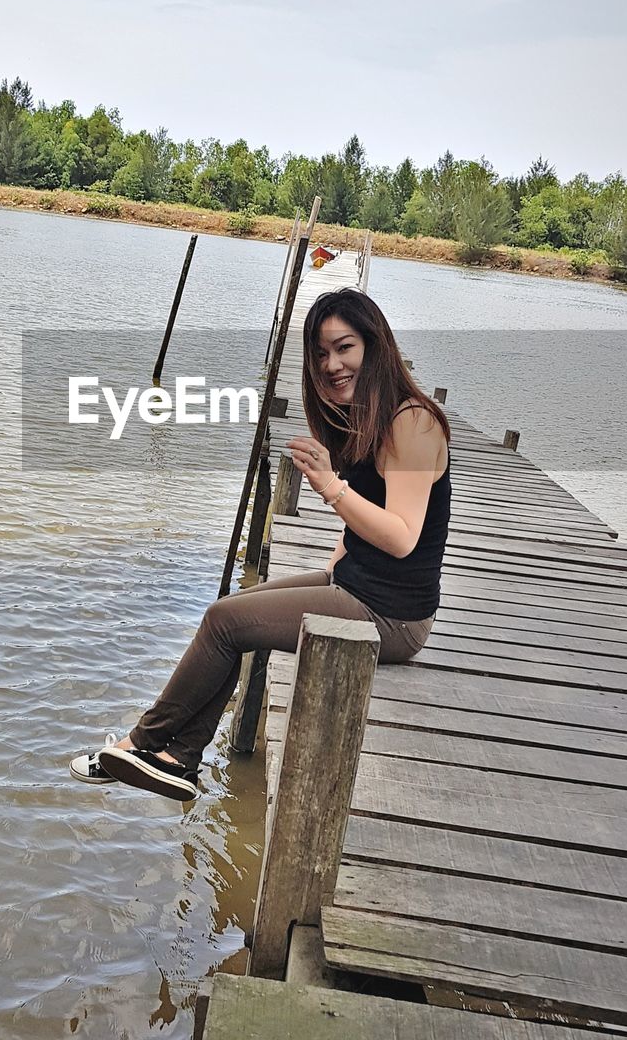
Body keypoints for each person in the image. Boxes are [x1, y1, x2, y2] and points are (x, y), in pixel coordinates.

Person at [69, 288, 451, 802]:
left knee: (224, 624)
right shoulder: (368, 418)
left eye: (344, 347)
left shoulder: (413, 423)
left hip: (393, 618)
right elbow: (365, 519)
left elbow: (404, 537)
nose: (332, 364)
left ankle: (142, 745)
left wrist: (331, 487)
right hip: (360, 588)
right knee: (230, 612)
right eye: (320, 354)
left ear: (375, 345)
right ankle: (177, 757)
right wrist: (334, 569)